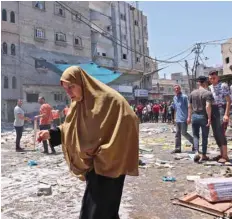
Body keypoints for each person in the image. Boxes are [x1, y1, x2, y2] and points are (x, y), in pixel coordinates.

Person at [37, 66, 139, 219]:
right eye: (66, 89)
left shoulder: (109, 100)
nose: (69, 92)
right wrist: (51, 134)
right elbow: (71, 128)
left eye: (72, 86)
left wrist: (108, 150)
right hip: (94, 166)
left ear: (82, 83)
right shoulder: (79, 104)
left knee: (96, 212)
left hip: (111, 163)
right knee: (103, 211)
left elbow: (130, 119)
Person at [187, 76, 213, 162]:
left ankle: (196, 152)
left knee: (195, 136)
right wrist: (209, 118)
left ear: (198, 83)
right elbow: (208, 106)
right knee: (204, 136)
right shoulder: (208, 93)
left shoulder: (192, 93)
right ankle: (204, 155)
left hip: (195, 116)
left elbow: (189, 106)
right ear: (205, 82)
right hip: (203, 116)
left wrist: (189, 117)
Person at [209, 71, 231, 163]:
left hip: (221, 108)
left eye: (214, 78)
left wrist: (226, 114)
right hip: (213, 110)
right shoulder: (210, 87)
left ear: (217, 78)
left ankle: (225, 156)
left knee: (221, 132)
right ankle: (221, 154)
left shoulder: (223, 85)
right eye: (210, 78)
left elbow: (228, 101)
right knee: (215, 133)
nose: (212, 80)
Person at [172, 85, 193, 154]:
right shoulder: (174, 98)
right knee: (177, 134)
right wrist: (175, 118)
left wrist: (189, 117)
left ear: (180, 89)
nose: (177, 89)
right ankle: (177, 148)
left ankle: (195, 143)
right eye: (175, 89)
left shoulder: (184, 97)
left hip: (184, 118)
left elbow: (189, 107)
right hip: (178, 119)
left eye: (178, 88)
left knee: (184, 133)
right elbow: (175, 109)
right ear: (174, 90)